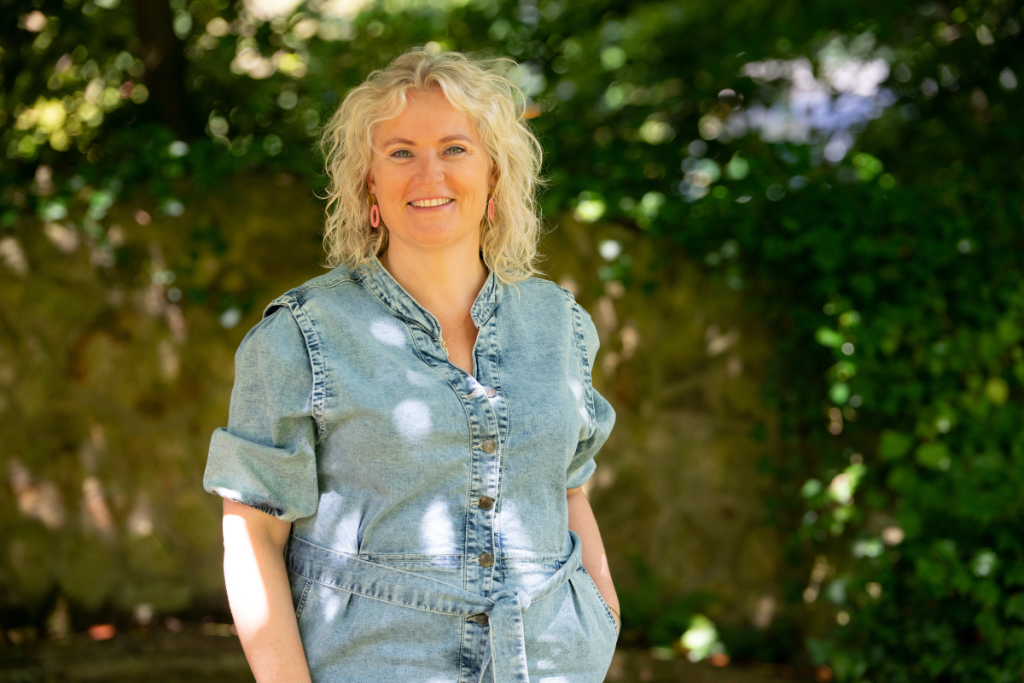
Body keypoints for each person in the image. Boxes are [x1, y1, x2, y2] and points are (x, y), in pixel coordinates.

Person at [203, 47, 619, 683]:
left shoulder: (560, 323)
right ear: (368, 181)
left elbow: (567, 488)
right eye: (401, 152)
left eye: (455, 148)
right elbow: (253, 531)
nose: (430, 174)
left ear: (494, 174)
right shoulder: (301, 335)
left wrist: (603, 614)